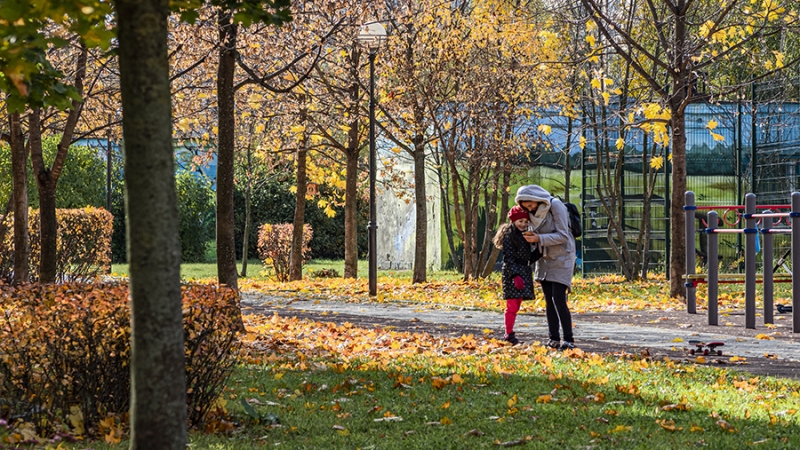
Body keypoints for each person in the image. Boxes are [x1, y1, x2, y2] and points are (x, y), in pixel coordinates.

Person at [515, 185, 576, 350]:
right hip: (543, 258)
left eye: (530, 205)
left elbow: (563, 235)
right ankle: (553, 339)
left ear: (536, 199)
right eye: (525, 207)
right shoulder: (530, 213)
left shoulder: (555, 205)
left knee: (559, 298)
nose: (529, 209)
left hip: (562, 256)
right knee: (549, 300)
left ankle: (569, 340)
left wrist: (538, 238)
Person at [492, 205, 536, 345]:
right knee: (512, 305)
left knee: (516, 305)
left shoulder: (525, 235)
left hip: (523, 270)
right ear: (513, 221)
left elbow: (526, 257)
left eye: (525, 221)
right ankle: (509, 333)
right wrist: (514, 275)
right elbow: (508, 257)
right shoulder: (510, 235)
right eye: (520, 221)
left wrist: (539, 253)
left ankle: (509, 332)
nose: (523, 224)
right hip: (513, 273)